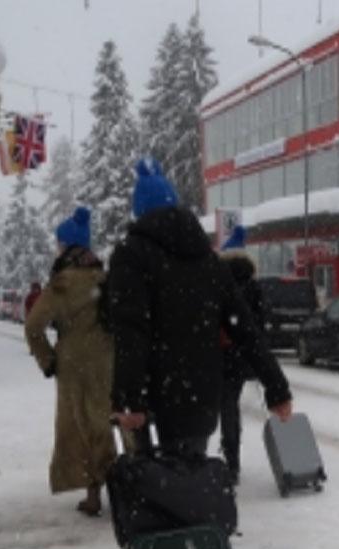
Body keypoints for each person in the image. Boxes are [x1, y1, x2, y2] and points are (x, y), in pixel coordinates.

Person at [108, 158, 292, 457]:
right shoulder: (207, 260)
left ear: (139, 212)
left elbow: (131, 331)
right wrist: (276, 388)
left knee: (155, 489)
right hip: (201, 400)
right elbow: (244, 327)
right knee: (190, 484)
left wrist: (129, 398)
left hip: (154, 400)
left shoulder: (131, 256)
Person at [25, 207, 115, 516]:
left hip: (73, 365)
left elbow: (33, 326)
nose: (57, 248)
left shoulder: (61, 283)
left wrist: (47, 360)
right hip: (106, 360)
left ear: (67, 246)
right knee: (105, 422)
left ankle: (93, 495)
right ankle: (120, 487)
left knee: (79, 428)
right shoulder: (103, 277)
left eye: (59, 243)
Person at [219, 252, 266, 484]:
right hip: (240, 358)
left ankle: (201, 459)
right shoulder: (253, 288)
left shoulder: (219, 285)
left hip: (216, 357)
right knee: (230, 408)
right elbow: (260, 324)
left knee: (214, 408)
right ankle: (232, 459)